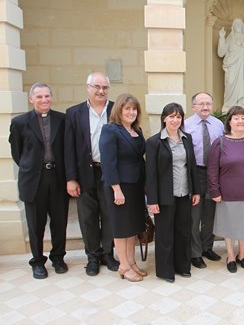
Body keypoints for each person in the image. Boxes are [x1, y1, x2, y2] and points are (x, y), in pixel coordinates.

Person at [9, 83, 70, 279]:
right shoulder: (19, 122)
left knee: (59, 222)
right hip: (34, 180)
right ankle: (37, 262)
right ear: (31, 99)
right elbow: (18, 153)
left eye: (47, 96)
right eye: (39, 97)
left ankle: (58, 258)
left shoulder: (62, 119)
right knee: (36, 224)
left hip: (57, 178)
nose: (44, 100)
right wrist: (33, 168)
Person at [64, 72, 119, 276]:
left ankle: (108, 254)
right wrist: (71, 178)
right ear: (87, 87)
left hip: (109, 173)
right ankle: (92, 257)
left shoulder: (116, 109)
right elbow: (68, 148)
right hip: (85, 173)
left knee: (109, 215)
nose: (101, 91)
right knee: (87, 217)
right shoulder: (73, 113)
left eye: (104, 87)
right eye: (96, 87)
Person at [146, 103, 200, 282]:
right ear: (164, 118)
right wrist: (152, 200)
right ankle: (165, 271)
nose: (175, 120)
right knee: (165, 234)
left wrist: (196, 191)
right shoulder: (154, 142)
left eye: (178, 117)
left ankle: (182, 266)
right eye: (171, 116)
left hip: (185, 194)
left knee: (183, 231)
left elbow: (192, 167)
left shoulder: (187, 139)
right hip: (164, 197)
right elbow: (151, 174)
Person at [207, 106, 244, 273]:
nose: (240, 121)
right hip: (227, 193)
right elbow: (212, 169)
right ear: (229, 121)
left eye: (243, 118)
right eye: (236, 118)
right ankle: (231, 256)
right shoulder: (220, 142)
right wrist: (214, 191)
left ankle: (242, 255)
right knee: (229, 225)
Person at [99, 94, 147, 282]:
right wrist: (116, 189)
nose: (131, 112)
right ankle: (123, 266)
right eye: (127, 108)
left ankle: (132, 262)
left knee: (133, 227)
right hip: (119, 186)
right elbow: (108, 163)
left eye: (134, 109)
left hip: (135, 185)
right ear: (119, 110)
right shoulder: (110, 130)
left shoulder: (137, 130)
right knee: (121, 228)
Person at [184, 92, 225, 269]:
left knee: (210, 215)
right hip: (195, 173)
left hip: (214, 174)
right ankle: (195, 252)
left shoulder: (219, 125)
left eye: (208, 103)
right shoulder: (185, 125)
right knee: (194, 217)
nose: (205, 107)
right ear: (193, 106)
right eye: (201, 104)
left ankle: (207, 247)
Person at [217, 18, 244, 112]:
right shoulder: (230, 38)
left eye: (240, 24)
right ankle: (229, 107)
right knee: (230, 83)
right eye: (236, 24)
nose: (238, 26)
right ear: (233, 27)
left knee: (243, 85)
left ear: (242, 26)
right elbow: (221, 53)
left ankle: (243, 106)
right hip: (232, 67)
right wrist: (221, 37)